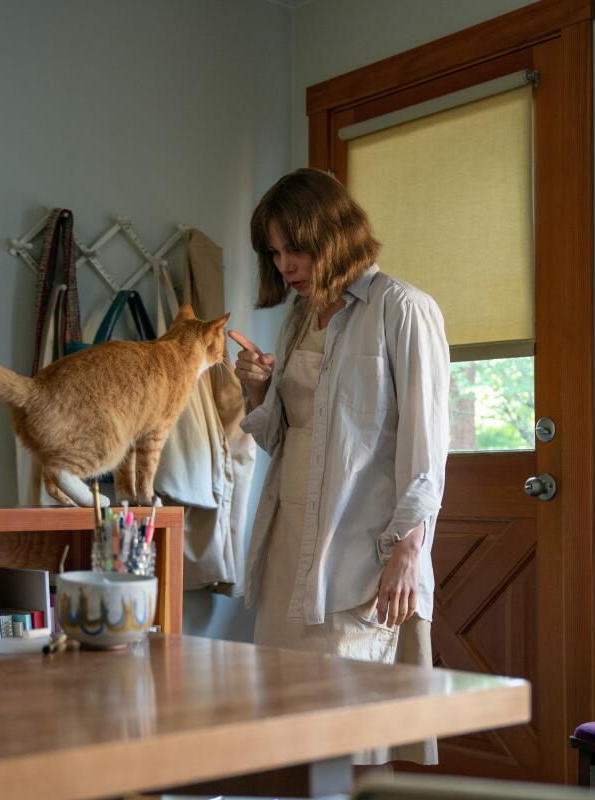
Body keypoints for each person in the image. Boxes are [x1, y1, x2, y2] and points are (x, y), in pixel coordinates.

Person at [229, 168, 449, 765]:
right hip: (287, 547)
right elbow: (287, 440)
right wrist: (257, 392)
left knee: (347, 730)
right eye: (274, 254)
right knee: (285, 726)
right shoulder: (299, 317)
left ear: (331, 232)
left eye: (294, 247)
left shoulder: (403, 309)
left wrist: (409, 551)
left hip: (358, 549)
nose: (285, 265)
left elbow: (426, 451)